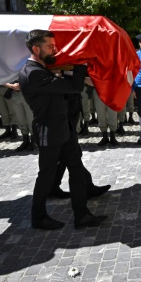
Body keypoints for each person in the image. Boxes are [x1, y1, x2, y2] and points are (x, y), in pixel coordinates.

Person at [18, 29, 107, 230]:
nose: (55, 49)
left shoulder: (41, 70)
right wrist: (80, 62)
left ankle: (82, 214)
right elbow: (74, 87)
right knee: (47, 175)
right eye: (50, 46)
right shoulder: (33, 73)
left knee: (75, 168)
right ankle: (38, 217)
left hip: (62, 128)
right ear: (36, 49)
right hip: (49, 131)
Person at [52, 87, 111, 199]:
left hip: (68, 115)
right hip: (64, 117)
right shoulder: (60, 74)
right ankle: (86, 187)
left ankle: (52, 187)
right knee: (72, 153)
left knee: (66, 155)